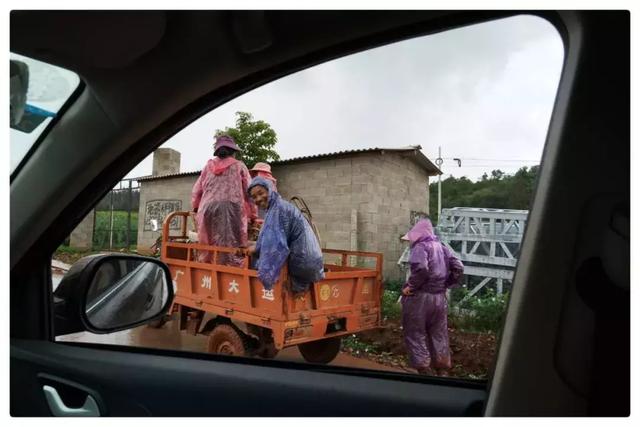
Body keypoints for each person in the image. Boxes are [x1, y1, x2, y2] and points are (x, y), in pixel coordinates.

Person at [401, 219, 464, 376]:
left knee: (416, 332)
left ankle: (424, 369)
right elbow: (458, 267)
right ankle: (442, 369)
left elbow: (421, 268)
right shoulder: (442, 247)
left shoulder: (420, 247)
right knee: (439, 333)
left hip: (420, 298)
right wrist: (448, 283)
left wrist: (411, 286)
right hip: (439, 298)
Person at [243, 176, 324, 293]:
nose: (258, 198)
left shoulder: (278, 209)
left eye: (261, 193)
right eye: (254, 197)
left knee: (258, 262)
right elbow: (270, 238)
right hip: (311, 262)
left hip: (301, 262)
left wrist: (254, 251)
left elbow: (275, 245)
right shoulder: (276, 207)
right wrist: (252, 244)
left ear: (269, 190)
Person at [191, 135, 257, 265]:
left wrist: (196, 208)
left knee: (208, 241)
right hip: (232, 209)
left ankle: (207, 267)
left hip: (207, 208)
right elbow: (250, 192)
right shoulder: (239, 166)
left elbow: (196, 190)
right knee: (232, 242)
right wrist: (253, 215)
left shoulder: (207, 167)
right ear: (233, 151)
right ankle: (232, 269)